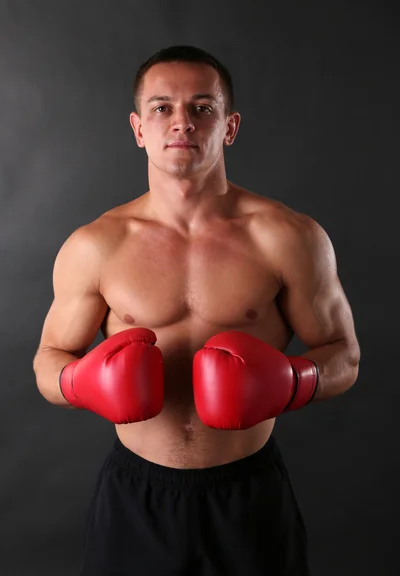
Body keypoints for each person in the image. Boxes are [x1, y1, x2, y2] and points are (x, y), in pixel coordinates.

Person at [33, 45, 360, 576]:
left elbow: (345, 357)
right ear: (139, 129)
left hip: (249, 494)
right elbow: (49, 359)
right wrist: (81, 383)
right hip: (136, 495)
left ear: (229, 127)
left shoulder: (289, 237)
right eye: (162, 107)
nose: (181, 122)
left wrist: (294, 381)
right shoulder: (96, 246)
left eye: (201, 107)